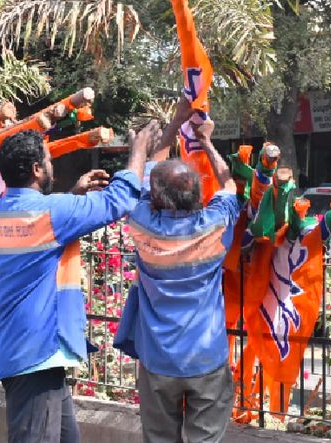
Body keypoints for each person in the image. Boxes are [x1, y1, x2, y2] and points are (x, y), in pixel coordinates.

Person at [0, 126, 154, 443]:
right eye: (47, 161)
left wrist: (73, 197)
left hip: (20, 350)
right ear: (36, 169)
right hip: (36, 355)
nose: (51, 167)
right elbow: (119, 201)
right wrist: (139, 149)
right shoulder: (51, 213)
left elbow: (38, 231)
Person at [114, 106, 241, 443]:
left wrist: (176, 121)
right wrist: (207, 143)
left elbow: (149, 168)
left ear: (154, 198)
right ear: (198, 195)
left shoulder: (142, 224)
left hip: (157, 361)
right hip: (206, 358)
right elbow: (229, 186)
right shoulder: (214, 227)